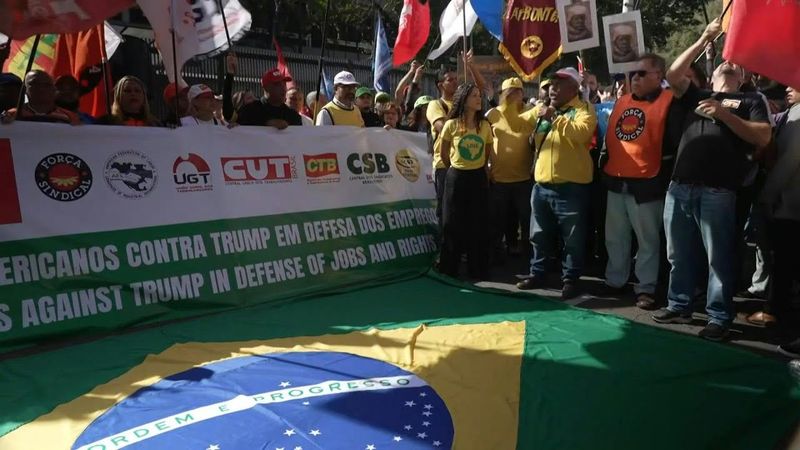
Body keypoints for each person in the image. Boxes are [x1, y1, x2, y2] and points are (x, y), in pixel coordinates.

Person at [655, 18, 772, 341]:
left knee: (717, 258)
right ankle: (679, 304)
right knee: (678, 253)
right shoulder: (696, 94)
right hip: (679, 188)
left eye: (736, 66)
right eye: (725, 62)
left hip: (718, 192)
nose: (728, 64)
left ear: (744, 77)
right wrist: (704, 37)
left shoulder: (751, 101)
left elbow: (763, 137)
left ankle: (719, 315)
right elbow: (673, 74)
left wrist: (724, 114)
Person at [600, 54, 682, 310]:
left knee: (647, 241)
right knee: (615, 236)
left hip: (648, 184)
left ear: (659, 75)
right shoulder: (622, 101)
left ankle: (645, 287)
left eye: (642, 73)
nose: (635, 77)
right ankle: (615, 281)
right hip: (617, 180)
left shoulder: (670, 101)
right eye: (633, 73)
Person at [516, 68, 598, 299]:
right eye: (551, 84)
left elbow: (581, 134)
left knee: (572, 238)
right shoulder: (542, 110)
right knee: (539, 235)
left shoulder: (584, 110)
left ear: (574, 87)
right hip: (542, 186)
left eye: (559, 84)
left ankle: (570, 279)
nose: (553, 88)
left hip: (571, 187)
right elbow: (517, 123)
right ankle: (537, 273)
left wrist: (554, 117)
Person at [748, 86, 800, 333]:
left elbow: (789, 163)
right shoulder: (793, 112)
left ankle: (774, 312)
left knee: (784, 260)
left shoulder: (798, 116)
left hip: (790, 202)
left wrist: (768, 196)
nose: (789, 87)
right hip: (788, 200)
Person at [437, 83, 492, 280]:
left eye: (479, 95)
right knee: (451, 224)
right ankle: (449, 269)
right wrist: (457, 168)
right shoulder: (451, 125)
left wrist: (477, 170)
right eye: (474, 96)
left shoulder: (485, 126)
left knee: (477, 224)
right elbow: (444, 154)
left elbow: (486, 154)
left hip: (477, 178)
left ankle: (477, 270)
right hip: (456, 178)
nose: (479, 99)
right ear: (463, 100)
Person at [486, 77, 535, 262]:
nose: (514, 95)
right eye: (509, 92)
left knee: (527, 221)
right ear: (502, 95)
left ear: (523, 93)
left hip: (524, 179)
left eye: (517, 91)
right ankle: (495, 255)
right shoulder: (492, 114)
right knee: (497, 222)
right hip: (498, 179)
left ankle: (528, 257)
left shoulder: (531, 113)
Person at [427, 67, 459, 226]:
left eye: (456, 79)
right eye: (450, 80)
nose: (455, 82)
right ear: (440, 85)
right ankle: (445, 246)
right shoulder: (435, 105)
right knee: (446, 209)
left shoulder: (463, 104)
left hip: (463, 163)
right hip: (444, 165)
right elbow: (443, 129)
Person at [1, 70, 80, 125]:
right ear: (25, 89)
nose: (41, 88)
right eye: (34, 83)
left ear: (54, 89)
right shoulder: (12, 114)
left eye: (46, 84)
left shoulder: (70, 117)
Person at [237, 68, 301, 129]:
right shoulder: (249, 111)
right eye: (277, 84)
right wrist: (265, 124)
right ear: (266, 88)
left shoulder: (293, 116)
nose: (283, 88)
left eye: (284, 83)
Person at [96, 76, 161, 126]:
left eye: (137, 91)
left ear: (144, 98)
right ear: (118, 97)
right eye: (127, 91)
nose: (133, 94)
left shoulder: (156, 124)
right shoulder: (105, 123)